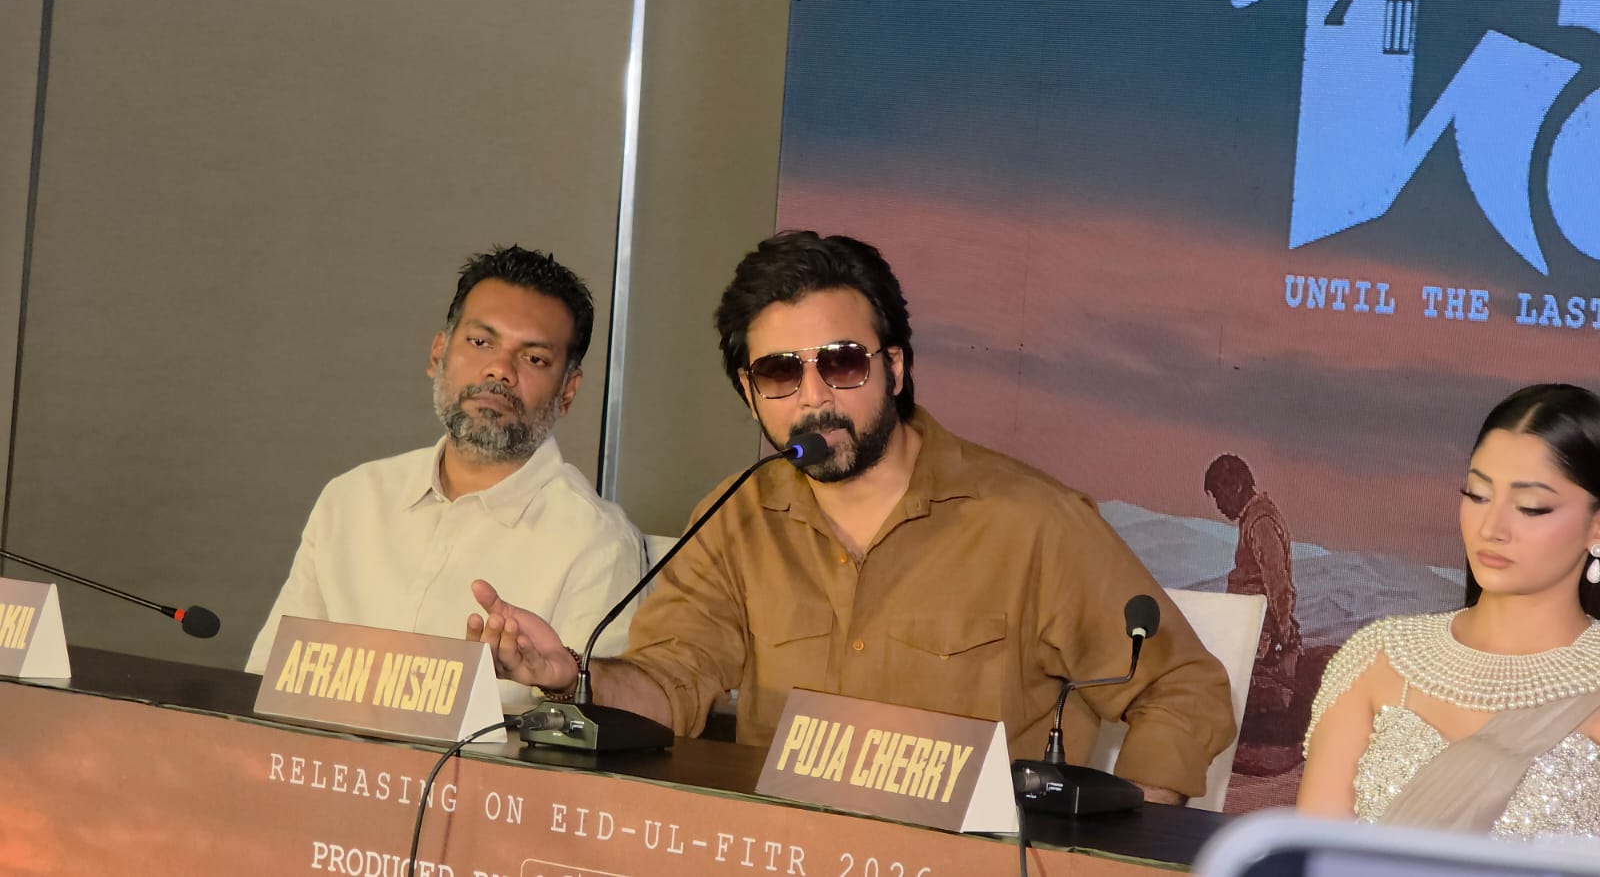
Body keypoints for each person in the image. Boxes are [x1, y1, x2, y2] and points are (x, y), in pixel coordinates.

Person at [468, 231, 1235, 802]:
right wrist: (570, 677)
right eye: (780, 372)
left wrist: (1120, 844)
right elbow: (670, 687)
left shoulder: (1030, 522)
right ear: (750, 394)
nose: (814, 396)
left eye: (841, 362)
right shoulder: (735, 517)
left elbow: (1183, 689)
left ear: (893, 367)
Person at [247, 245, 644, 709]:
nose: (499, 371)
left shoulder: (597, 542)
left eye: (534, 359)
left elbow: (586, 732)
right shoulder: (352, 500)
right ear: (438, 352)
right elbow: (267, 686)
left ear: (568, 391)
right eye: (480, 343)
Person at [1299, 383, 1600, 836]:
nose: (1492, 527)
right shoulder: (1379, 658)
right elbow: (1312, 853)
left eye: (1531, 507)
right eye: (1477, 495)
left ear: (1597, 526)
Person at [1205, 454, 1301, 716]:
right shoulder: (1254, 519)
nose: (1219, 505)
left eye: (1220, 495)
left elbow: (1277, 581)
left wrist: (1284, 631)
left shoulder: (1261, 522)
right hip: (1246, 623)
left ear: (1236, 487)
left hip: (1255, 631)